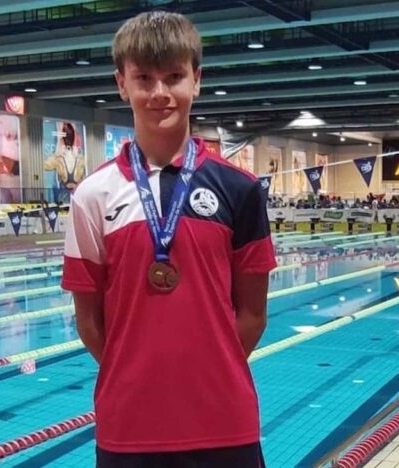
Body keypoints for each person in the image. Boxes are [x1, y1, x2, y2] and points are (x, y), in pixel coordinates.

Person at [61, 11, 275, 468]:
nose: (159, 93)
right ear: (122, 84)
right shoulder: (92, 195)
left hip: (224, 421)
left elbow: (254, 314)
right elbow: (89, 321)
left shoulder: (240, 189)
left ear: (196, 80)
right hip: (129, 425)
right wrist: (141, 378)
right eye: (144, 78)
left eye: (174, 77)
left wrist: (205, 373)